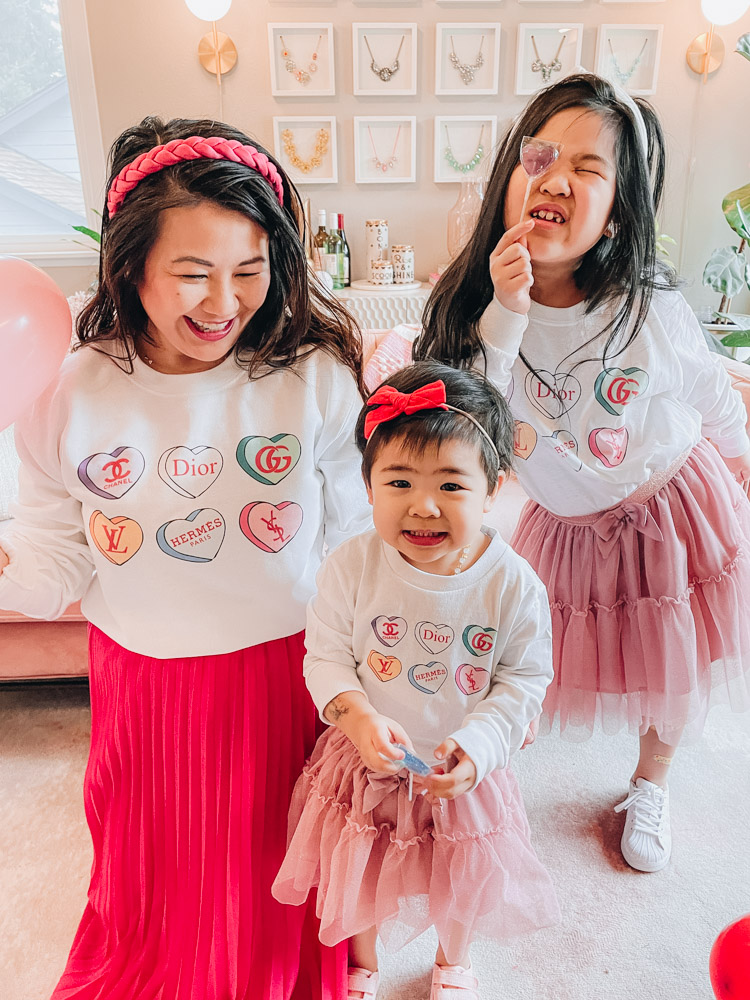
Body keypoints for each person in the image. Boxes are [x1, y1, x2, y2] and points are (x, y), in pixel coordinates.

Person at [0, 117, 371, 999]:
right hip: (144, 686)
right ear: (131, 267)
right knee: (155, 887)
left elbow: (356, 545)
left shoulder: (312, 374)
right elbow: (56, 560)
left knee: (270, 876)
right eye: (193, 273)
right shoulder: (70, 384)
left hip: (282, 680)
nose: (223, 303)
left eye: (250, 272)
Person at [415, 73, 750, 874]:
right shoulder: (472, 315)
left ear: (617, 213)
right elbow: (474, 429)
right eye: (540, 157)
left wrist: (742, 468)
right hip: (566, 527)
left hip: (675, 505)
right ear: (509, 179)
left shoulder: (647, 306)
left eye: (589, 169)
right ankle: (491, 769)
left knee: (677, 663)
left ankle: (652, 781)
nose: (557, 177)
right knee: (536, 659)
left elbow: (709, 391)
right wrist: (508, 312)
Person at [272, 361, 560, 1000]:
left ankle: (453, 963)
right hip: (367, 761)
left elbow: (522, 680)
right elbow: (323, 657)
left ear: (493, 490)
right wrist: (357, 716)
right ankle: (362, 965)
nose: (422, 505)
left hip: (462, 769)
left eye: (451, 485)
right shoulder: (351, 565)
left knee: (461, 871)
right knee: (364, 869)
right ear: (368, 487)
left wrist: (480, 746)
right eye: (398, 480)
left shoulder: (514, 583)